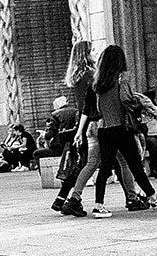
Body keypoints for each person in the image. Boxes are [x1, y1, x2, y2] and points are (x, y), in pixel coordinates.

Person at [55, 40, 139, 216]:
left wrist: (80, 130)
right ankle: (131, 198)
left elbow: (84, 107)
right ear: (85, 54)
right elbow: (91, 105)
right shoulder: (94, 76)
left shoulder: (78, 77)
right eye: (92, 50)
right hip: (102, 123)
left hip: (89, 125)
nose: (95, 53)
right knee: (114, 162)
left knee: (94, 163)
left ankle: (69, 198)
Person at [89, 44, 157, 217]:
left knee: (105, 168)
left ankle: (99, 205)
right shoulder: (122, 78)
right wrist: (136, 107)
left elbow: (98, 108)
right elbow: (126, 99)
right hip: (120, 128)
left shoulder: (98, 82)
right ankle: (153, 198)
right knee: (135, 165)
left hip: (104, 129)